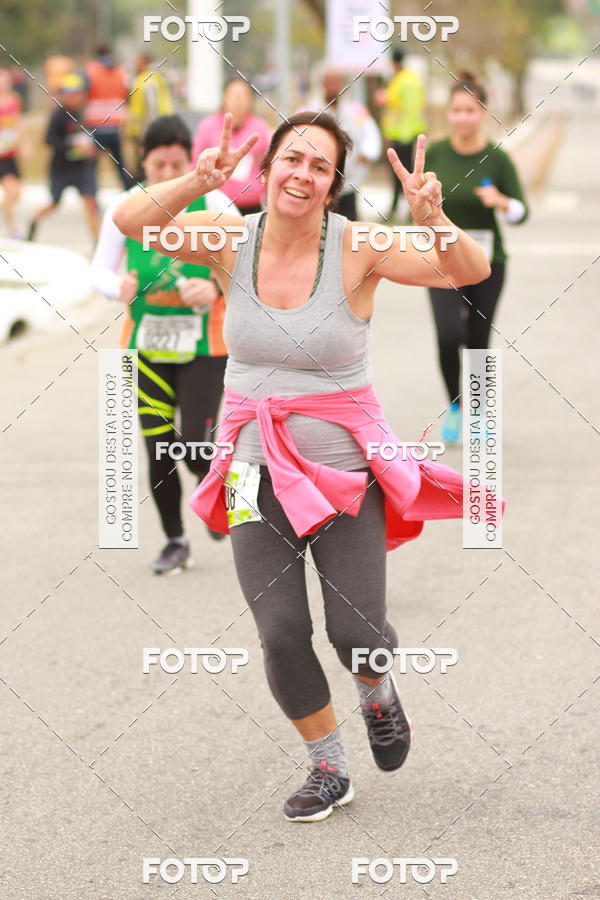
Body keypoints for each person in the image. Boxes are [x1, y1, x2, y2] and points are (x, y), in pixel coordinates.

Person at [113, 111, 492, 822]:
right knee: (281, 631)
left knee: (355, 633)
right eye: (292, 158)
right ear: (269, 167)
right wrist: (199, 179)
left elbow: (469, 270)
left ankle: (376, 688)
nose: (302, 174)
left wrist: (435, 217)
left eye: (319, 166)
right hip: (253, 469)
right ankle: (328, 766)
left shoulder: (359, 247)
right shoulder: (232, 237)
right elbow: (132, 221)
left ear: (333, 184)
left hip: (345, 471)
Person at [92, 115, 236, 574]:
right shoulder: (126, 207)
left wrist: (213, 288)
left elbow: (245, 272)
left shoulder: (215, 205)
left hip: (204, 344)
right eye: (159, 166)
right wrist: (118, 284)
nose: (169, 174)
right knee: (157, 447)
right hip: (147, 344)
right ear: (144, 165)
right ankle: (176, 540)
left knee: (196, 444)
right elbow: (96, 269)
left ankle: (214, 496)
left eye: (178, 164)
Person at [425, 71, 528, 443]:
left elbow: (521, 211)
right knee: (448, 334)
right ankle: (455, 407)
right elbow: (418, 202)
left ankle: (481, 415)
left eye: (469, 110)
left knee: (477, 338)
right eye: (456, 110)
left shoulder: (497, 159)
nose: (462, 117)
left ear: (482, 112)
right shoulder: (436, 153)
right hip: (442, 261)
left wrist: (502, 202)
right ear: (448, 113)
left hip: (488, 263)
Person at [27, 74, 99, 243]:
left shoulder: (82, 113)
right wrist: (71, 146)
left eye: (77, 93)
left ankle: (97, 241)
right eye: (69, 93)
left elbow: (88, 137)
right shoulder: (58, 115)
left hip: (81, 168)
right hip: (61, 168)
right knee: (54, 203)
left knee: (90, 202)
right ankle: (34, 221)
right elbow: (49, 140)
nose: (75, 97)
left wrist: (89, 149)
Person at [303, 67, 382, 220]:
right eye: (330, 82)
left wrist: (367, 154)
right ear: (323, 84)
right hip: (319, 184)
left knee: (349, 227)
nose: (333, 86)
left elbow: (370, 133)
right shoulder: (310, 111)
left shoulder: (354, 111)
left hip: (349, 183)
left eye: (336, 82)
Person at [191, 79, 270, 215]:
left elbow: (268, 164)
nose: (238, 102)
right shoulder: (208, 126)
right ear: (224, 98)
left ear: (250, 100)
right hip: (216, 206)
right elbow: (195, 163)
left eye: (243, 97)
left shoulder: (260, 127)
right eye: (234, 96)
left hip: (251, 207)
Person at [376, 48, 426, 220]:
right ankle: (401, 208)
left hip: (403, 134)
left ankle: (406, 208)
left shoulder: (403, 81)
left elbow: (404, 108)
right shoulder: (409, 79)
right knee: (403, 173)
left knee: (402, 173)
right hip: (405, 132)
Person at [84, 44, 133, 189]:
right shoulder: (120, 70)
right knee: (120, 164)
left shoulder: (90, 70)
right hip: (115, 124)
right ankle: (128, 193)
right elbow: (127, 93)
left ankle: (91, 196)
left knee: (92, 166)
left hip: (96, 125)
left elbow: (84, 94)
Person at [0, 66, 28, 238]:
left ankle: (11, 226)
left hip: (11, 152)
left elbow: (18, 123)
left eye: (5, 81)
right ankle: (13, 228)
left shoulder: (14, 99)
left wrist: (24, 143)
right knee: (10, 191)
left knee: (16, 193)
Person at [126, 54, 174, 150]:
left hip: (148, 129)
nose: (135, 65)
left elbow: (152, 105)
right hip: (158, 126)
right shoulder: (156, 77)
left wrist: (150, 131)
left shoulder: (147, 79)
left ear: (144, 62)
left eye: (137, 62)